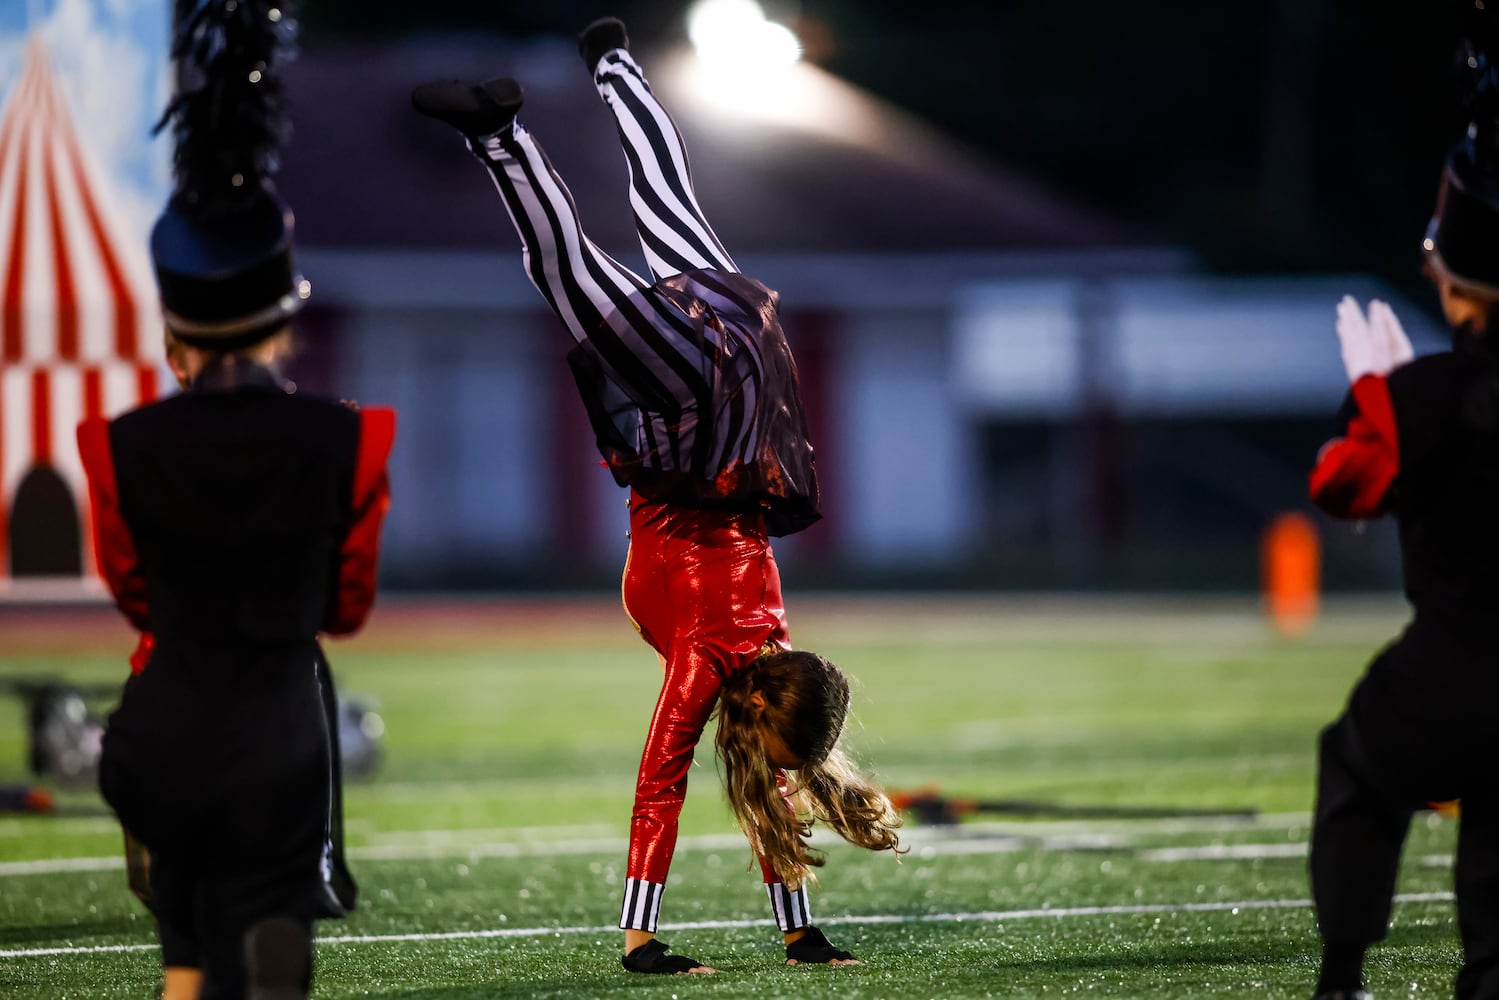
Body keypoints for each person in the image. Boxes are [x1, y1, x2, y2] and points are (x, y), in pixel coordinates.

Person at [410, 16, 903, 975]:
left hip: (748, 337)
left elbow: (775, 784)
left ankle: (616, 67)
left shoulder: (772, 636)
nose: (762, 758)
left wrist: (801, 932)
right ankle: (498, 136)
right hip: (694, 405)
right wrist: (640, 939)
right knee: (566, 274)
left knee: (666, 203)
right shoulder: (714, 658)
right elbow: (659, 783)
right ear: (757, 710)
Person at [77, 2, 396, 997]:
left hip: (160, 729)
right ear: (280, 317)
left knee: (184, 952)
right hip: (274, 733)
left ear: (176, 323)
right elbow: (345, 606)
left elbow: (134, 593)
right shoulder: (355, 438)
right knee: (271, 946)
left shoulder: (114, 445)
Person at [1306, 6, 1499, 997]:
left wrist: (1370, 394)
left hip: (1460, 658)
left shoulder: (1414, 394)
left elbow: (1341, 488)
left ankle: (1340, 980)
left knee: (1355, 765)